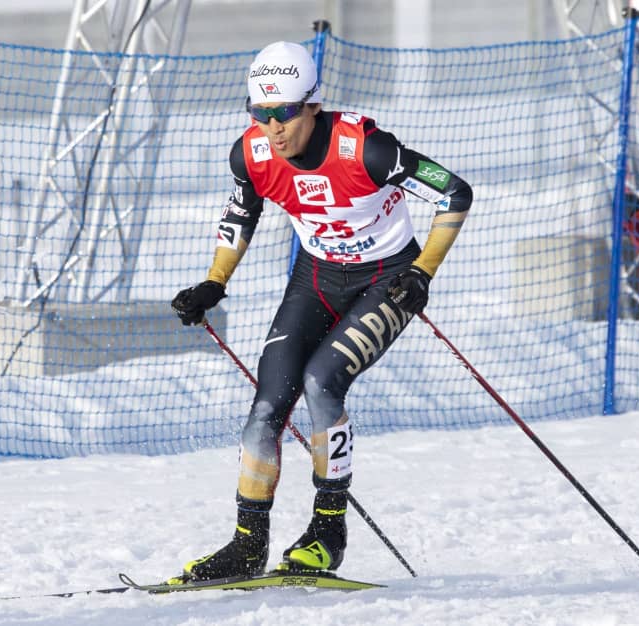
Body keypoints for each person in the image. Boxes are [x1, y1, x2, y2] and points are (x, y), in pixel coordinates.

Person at [170, 41, 472, 581]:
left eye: (284, 112)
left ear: (312, 104)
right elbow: (242, 212)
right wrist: (214, 282)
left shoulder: (366, 149)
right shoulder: (251, 154)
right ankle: (246, 545)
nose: (273, 128)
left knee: (321, 381)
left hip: (386, 280)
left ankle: (327, 532)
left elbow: (453, 193)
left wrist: (422, 273)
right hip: (316, 278)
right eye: (259, 114)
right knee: (268, 404)